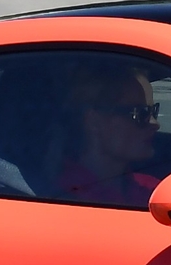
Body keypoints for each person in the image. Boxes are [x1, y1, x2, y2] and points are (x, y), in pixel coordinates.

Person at [49, 58, 164, 207]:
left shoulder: (153, 190)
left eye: (153, 111)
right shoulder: (62, 195)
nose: (155, 124)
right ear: (94, 121)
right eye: (139, 114)